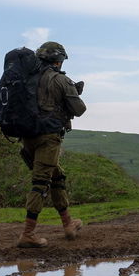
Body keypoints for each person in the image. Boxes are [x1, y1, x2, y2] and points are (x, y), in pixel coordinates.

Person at [17, 41, 86, 248]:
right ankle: (28, 234)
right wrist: (72, 92)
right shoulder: (60, 80)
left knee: (57, 177)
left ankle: (68, 224)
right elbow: (79, 109)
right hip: (48, 138)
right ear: (58, 60)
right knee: (40, 183)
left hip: (27, 137)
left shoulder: (27, 79)